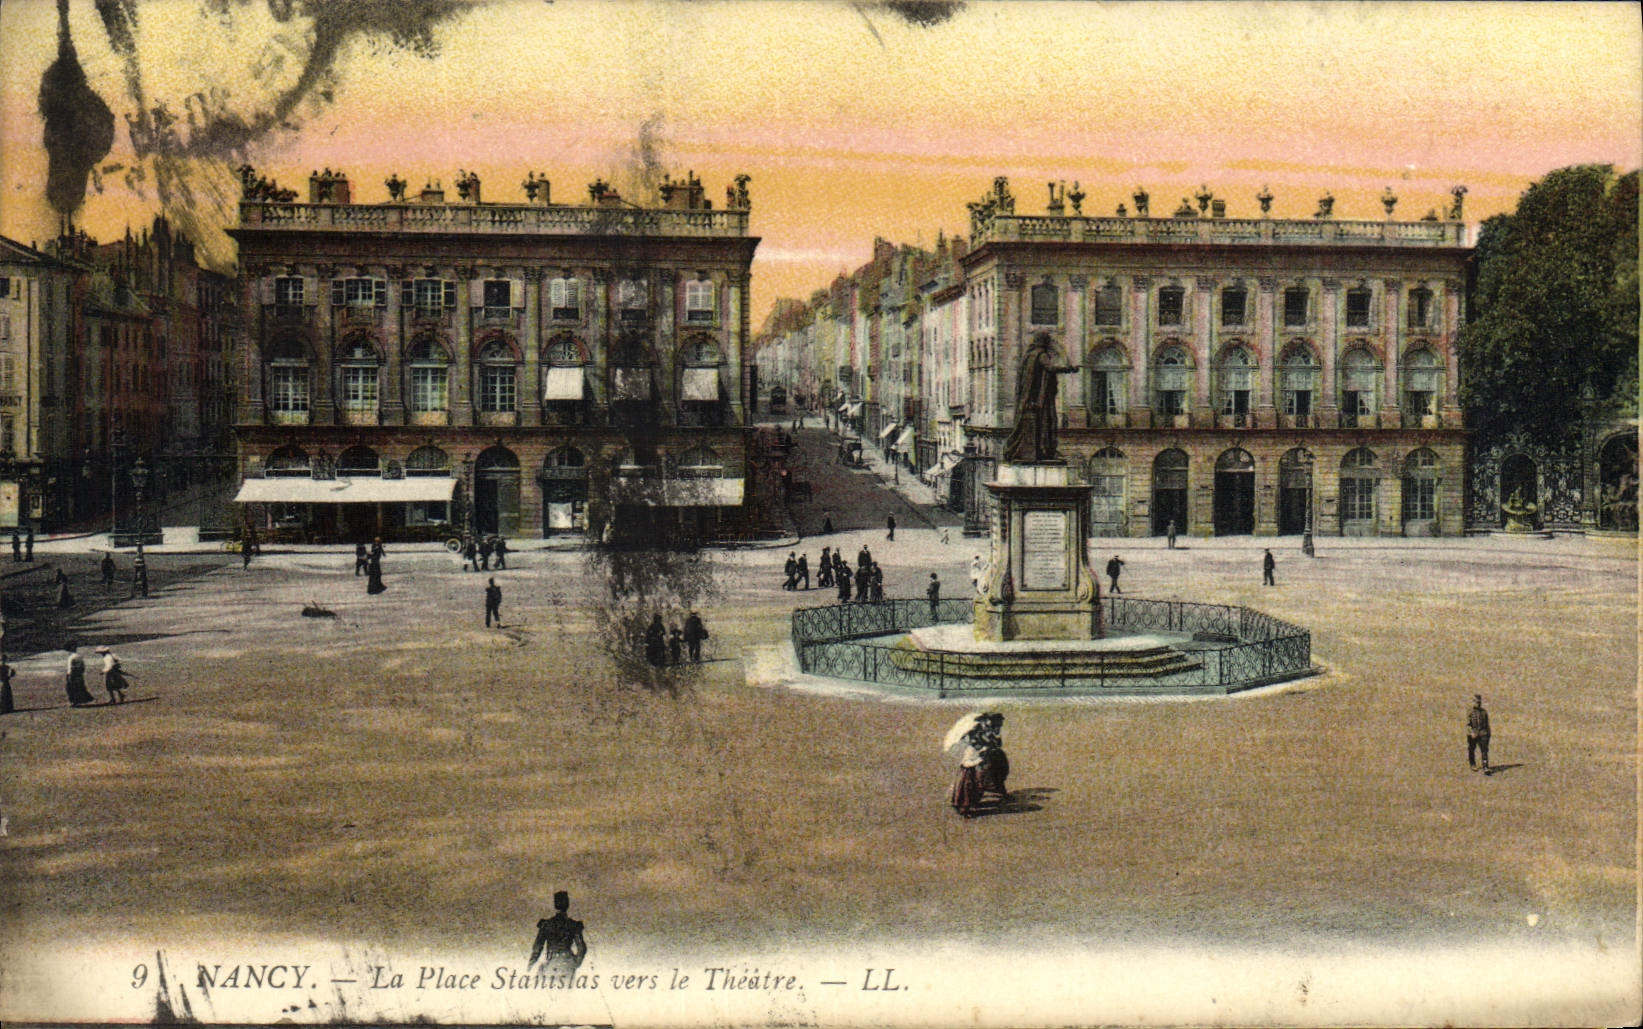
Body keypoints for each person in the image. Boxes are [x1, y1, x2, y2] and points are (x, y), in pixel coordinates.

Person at [1001, 332, 1077, 463]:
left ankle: (1041, 450)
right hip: (1042, 399)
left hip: (1031, 399)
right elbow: (1051, 368)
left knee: (1039, 424)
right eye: (1047, 341)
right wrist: (1069, 369)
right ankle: (1045, 450)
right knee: (1047, 422)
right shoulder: (1041, 355)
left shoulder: (1029, 356)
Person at [529, 890, 588, 974]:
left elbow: (537, 948)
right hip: (568, 966)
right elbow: (582, 948)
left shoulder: (546, 925)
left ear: (555, 905)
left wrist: (530, 965)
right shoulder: (574, 925)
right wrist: (575, 964)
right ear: (568, 905)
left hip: (551, 964)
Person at [951, 729, 986, 818]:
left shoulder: (974, 748)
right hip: (966, 772)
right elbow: (966, 763)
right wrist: (979, 760)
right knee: (966, 790)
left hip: (972, 771)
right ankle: (964, 809)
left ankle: (971, 806)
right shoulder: (970, 750)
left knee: (972, 789)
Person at [1467, 695, 1492, 772]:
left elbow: (1486, 723)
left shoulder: (1484, 712)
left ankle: (1485, 766)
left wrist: (1488, 733)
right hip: (1473, 734)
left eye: (1479, 702)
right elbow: (1468, 724)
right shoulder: (1470, 712)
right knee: (1471, 749)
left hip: (1483, 733)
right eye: (1476, 702)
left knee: (1484, 750)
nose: (1477, 703)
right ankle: (1472, 764)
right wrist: (1471, 732)